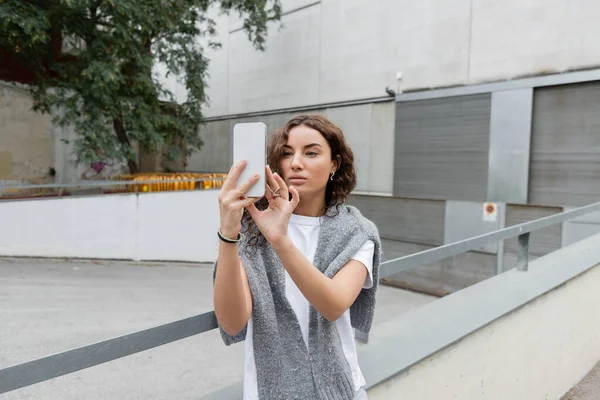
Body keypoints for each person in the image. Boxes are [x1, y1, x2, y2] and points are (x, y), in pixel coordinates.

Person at [213, 114, 382, 400]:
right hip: (268, 392)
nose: (296, 163)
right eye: (286, 153)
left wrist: (279, 241)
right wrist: (229, 234)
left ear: (334, 164)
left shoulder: (356, 231)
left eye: (311, 153)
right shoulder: (251, 231)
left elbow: (333, 305)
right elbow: (232, 323)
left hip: (338, 392)